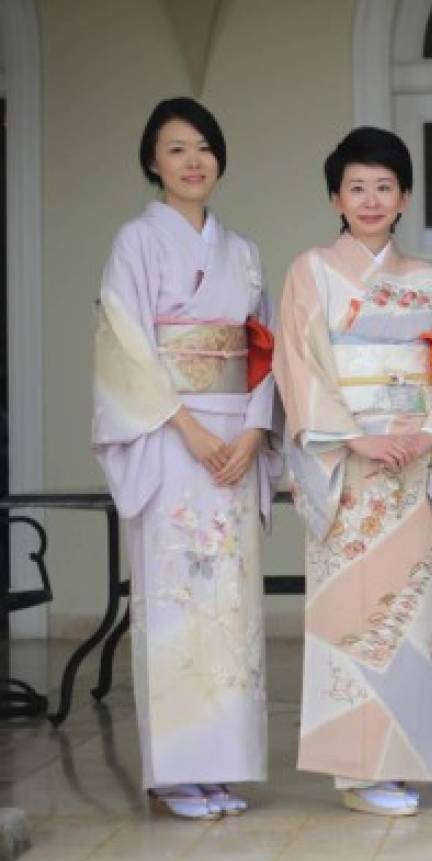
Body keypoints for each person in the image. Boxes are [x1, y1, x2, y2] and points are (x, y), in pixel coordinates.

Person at [273, 127, 432, 817]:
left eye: (384, 187)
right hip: (351, 469)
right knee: (351, 612)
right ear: (336, 196)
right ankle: (357, 772)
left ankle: (401, 759)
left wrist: (429, 430)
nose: (370, 200)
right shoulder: (311, 271)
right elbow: (298, 364)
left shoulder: (428, 280)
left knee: (407, 616)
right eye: (356, 187)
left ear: (405, 199)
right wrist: (354, 438)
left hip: (415, 466)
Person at [92, 97, 274, 820]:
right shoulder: (135, 242)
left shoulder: (245, 251)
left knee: (231, 607)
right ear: (151, 162)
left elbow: (260, 348)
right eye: (176, 149)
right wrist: (190, 431)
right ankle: (175, 773)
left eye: (204, 146)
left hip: (235, 441)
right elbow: (124, 349)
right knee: (175, 601)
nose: (194, 161)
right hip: (173, 443)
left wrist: (256, 430)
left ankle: (220, 765)